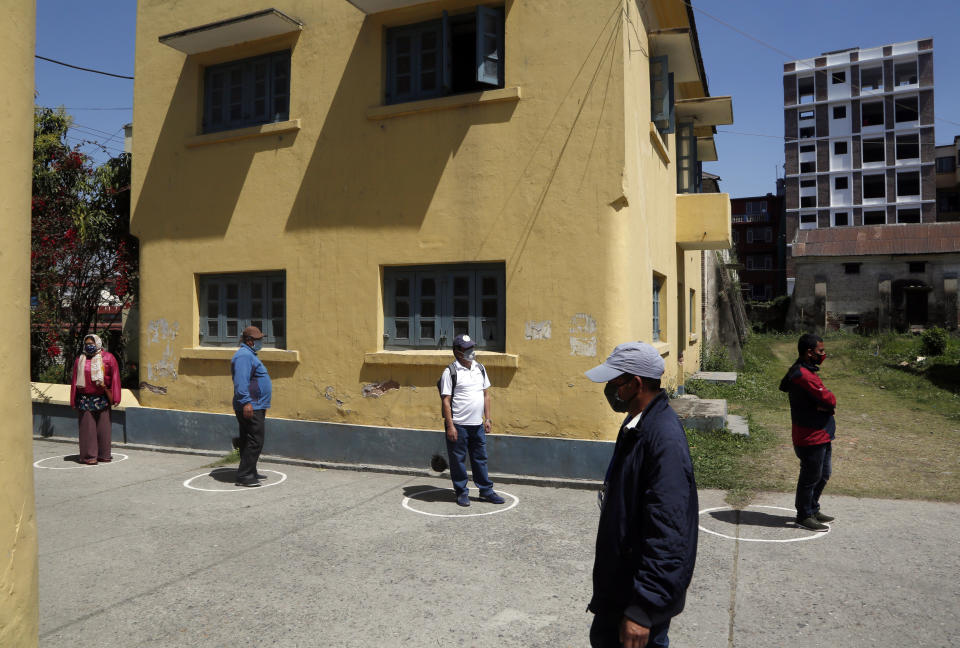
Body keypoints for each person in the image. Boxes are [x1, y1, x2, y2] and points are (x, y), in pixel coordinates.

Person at [585, 342, 698, 648]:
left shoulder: (662, 439)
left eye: (614, 383)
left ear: (636, 384)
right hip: (621, 589)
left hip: (637, 601)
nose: (609, 389)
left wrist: (643, 610)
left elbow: (669, 530)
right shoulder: (638, 423)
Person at [779, 333, 836, 531]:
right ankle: (803, 515)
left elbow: (824, 402)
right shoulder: (802, 374)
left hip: (822, 432)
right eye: (821, 351)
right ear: (809, 352)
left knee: (824, 474)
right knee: (810, 476)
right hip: (809, 435)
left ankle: (812, 508)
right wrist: (822, 404)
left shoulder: (807, 370)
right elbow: (829, 400)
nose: (824, 354)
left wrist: (821, 405)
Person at [439, 334, 505, 507]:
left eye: (471, 347)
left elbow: (486, 395)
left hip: (477, 425)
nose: (471, 351)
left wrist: (488, 418)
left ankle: (486, 491)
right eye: (466, 349)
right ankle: (461, 492)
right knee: (458, 461)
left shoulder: (480, 368)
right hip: (458, 425)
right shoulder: (450, 372)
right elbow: (446, 400)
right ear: (457, 352)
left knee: (480, 458)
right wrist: (450, 426)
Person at [70, 334, 122, 465]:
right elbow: (75, 380)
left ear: (98, 344)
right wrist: (73, 399)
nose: (89, 346)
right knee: (87, 429)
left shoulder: (109, 358)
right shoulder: (80, 359)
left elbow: (115, 377)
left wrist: (115, 396)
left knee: (103, 429)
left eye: (91, 343)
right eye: (86, 343)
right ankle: (89, 456)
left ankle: (104, 455)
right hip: (84, 399)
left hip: (102, 398)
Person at [231, 326, 272, 487]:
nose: (261, 342)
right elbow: (241, 382)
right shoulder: (243, 356)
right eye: (259, 340)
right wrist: (246, 402)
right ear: (250, 341)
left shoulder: (248, 355)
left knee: (248, 439)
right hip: (250, 405)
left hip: (256, 404)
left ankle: (250, 470)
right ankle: (245, 475)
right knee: (256, 440)